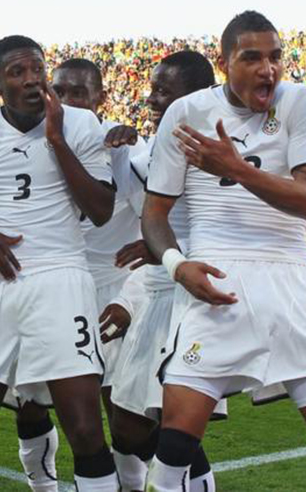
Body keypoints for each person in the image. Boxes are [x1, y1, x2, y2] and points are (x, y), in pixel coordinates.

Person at [143, 11, 306, 491]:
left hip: (291, 281)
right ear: (225, 63)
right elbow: (155, 214)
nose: (268, 69)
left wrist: (236, 167)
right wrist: (177, 266)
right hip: (214, 284)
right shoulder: (186, 114)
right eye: (252, 58)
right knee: (172, 456)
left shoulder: (297, 101)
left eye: (275, 57)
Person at [0, 35, 119, 492]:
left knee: (84, 428)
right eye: (17, 73)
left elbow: (100, 210)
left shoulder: (80, 123)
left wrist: (57, 139)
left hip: (61, 279)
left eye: (37, 69)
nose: (31, 80)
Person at [0, 56, 147, 492]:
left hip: (110, 291)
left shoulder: (125, 149)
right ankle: (43, 487)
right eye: (57, 90)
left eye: (77, 92)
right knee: (30, 404)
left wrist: (133, 294)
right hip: (49, 288)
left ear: (101, 97)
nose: (63, 100)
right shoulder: (30, 144)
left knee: (120, 416)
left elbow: (158, 230)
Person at [101, 51, 221, 492]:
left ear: (196, 97)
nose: (151, 99)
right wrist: (118, 153)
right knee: (136, 426)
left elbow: (222, 227)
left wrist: (166, 254)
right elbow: (142, 211)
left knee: (164, 424)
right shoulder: (153, 147)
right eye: (151, 89)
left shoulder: (209, 151)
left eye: (163, 91)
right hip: (156, 291)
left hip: (188, 292)